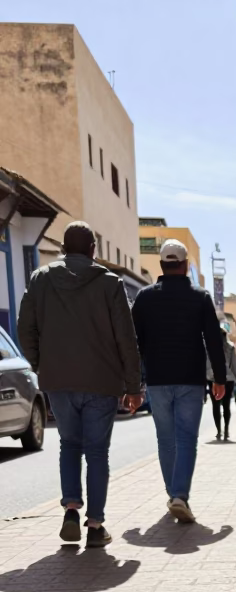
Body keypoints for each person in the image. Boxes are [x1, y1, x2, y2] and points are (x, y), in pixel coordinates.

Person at [17, 221, 143, 547]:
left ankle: (71, 508)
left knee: (69, 445)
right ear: (92, 251)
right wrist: (133, 385)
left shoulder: (41, 279)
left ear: (62, 249)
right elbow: (126, 339)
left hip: (59, 381)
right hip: (102, 382)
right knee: (97, 452)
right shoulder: (110, 283)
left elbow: (25, 327)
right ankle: (96, 525)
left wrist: (40, 364)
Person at [132, 239, 226, 523]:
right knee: (186, 439)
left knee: (166, 440)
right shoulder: (200, 297)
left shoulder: (144, 297)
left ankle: (173, 493)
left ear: (161, 265)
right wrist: (219, 378)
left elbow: (134, 343)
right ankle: (179, 495)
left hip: (157, 381)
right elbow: (213, 340)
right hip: (190, 380)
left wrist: (134, 381)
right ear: (185, 265)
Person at [210, 334, 236, 441]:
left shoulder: (210, 346)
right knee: (226, 405)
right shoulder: (230, 347)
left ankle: (219, 430)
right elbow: (234, 363)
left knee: (215, 405)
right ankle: (226, 429)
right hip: (228, 379)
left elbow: (206, 363)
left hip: (213, 378)